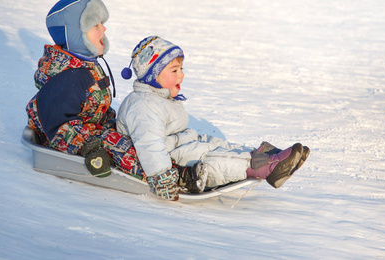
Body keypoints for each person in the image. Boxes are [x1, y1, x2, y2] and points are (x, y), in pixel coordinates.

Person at [118, 36, 310, 201]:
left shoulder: (157, 97)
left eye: (181, 69)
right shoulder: (143, 105)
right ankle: (263, 168)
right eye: (174, 71)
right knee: (214, 160)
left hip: (179, 143)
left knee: (216, 144)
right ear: (153, 75)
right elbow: (149, 144)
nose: (182, 75)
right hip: (169, 158)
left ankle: (261, 156)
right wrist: (162, 176)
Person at [25, 0, 144, 180]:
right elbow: (58, 127)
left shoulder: (84, 65)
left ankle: (172, 160)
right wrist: (91, 147)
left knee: (141, 130)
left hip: (92, 129)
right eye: (96, 25)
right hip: (75, 141)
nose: (104, 28)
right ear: (75, 34)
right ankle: (165, 177)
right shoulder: (68, 77)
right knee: (122, 145)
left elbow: (91, 105)